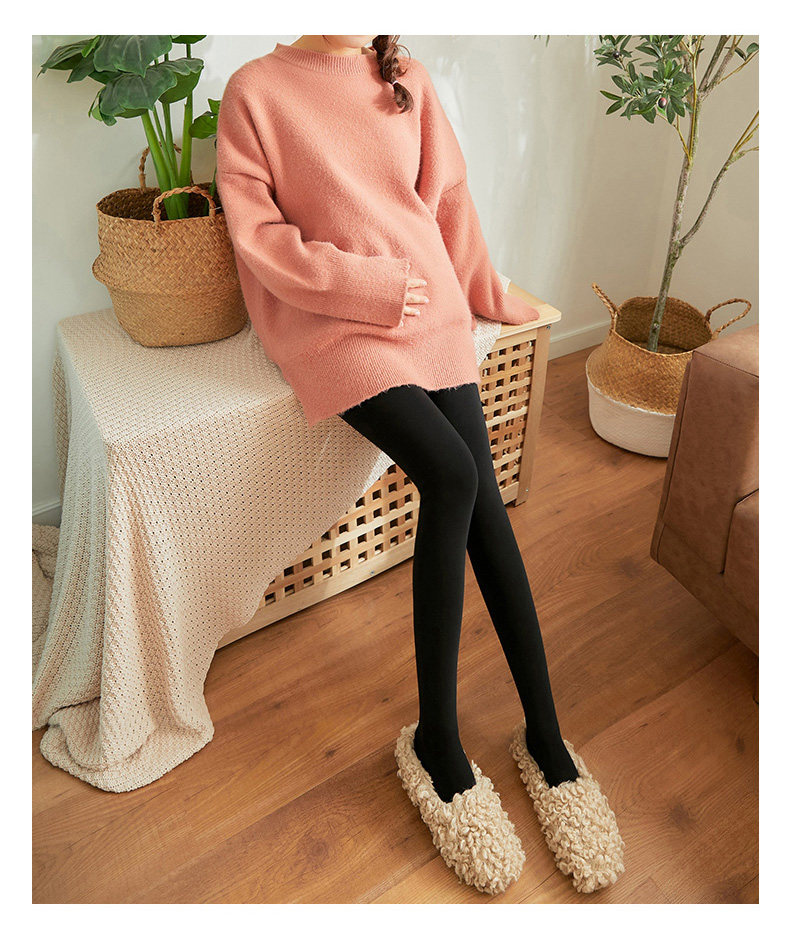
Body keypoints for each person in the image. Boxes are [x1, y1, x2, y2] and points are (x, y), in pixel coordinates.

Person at [216, 34, 624, 896]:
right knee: (454, 474)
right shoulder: (256, 89)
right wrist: (364, 286)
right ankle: (438, 743)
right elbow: (258, 238)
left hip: (427, 311)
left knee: (486, 511)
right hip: (333, 321)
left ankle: (547, 738)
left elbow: (449, 202)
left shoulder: (404, 75)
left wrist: (487, 295)